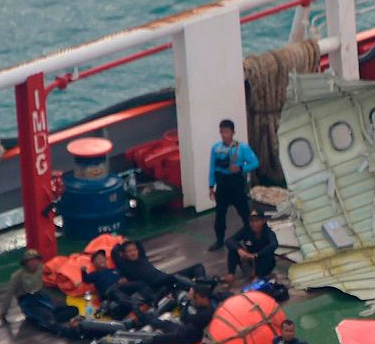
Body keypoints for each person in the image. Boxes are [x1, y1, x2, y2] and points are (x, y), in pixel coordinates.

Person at [208, 119, 259, 252]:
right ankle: (219, 240)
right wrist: (210, 186)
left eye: (227, 132)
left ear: (233, 132)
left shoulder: (241, 147)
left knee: (244, 213)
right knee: (220, 214)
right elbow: (212, 167)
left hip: (236, 184)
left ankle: (250, 236)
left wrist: (241, 168)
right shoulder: (216, 148)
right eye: (222, 132)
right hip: (222, 185)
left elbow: (255, 163)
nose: (224, 135)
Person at [114, 240, 206, 294]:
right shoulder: (126, 266)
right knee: (174, 278)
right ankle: (200, 290)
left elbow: (139, 244)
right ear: (124, 254)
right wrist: (118, 243)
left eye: (134, 250)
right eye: (129, 251)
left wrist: (126, 240)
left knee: (197, 266)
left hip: (165, 277)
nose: (133, 252)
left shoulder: (142, 258)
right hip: (156, 285)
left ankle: (203, 283)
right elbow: (115, 253)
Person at [82, 248, 155, 317]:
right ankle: (135, 306)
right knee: (117, 293)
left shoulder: (114, 270)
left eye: (102, 258)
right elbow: (86, 279)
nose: (101, 260)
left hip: (122, 287)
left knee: (140, 284)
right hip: (110, 292)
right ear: (94, 263)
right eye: (98, 259)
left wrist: (125, 279)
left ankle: (151, 300)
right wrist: (83, 270)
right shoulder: (95, 274)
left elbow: (126, 275)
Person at [227, 209, 279, 280]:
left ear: (263, 221)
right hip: (249, 260)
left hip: (262, 261)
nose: (254, 224)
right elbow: (229, 240)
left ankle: (258, 276)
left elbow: (274, 244)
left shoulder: (269, 233)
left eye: (257, 221)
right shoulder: (246, 231)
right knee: (233, 248)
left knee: (268, 255)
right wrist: (240, 250)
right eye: (252, 221)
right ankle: (230, 275)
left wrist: (256, 255)